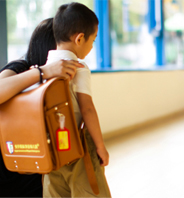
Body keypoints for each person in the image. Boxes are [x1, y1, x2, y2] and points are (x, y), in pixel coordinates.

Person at [0, 18, 83, 197]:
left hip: (38, 167)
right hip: (10, 167)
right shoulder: (21, 67)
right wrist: (42, 72)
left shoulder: (64, 80)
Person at [42, 3, 111, 197]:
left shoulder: (44, 68)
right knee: (92, 191)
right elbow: (87, 109)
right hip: (78, 146)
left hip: (51, 146)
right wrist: (100, 147)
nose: (91, 46)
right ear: (80, 38)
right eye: (93, 40)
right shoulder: (78, 67)